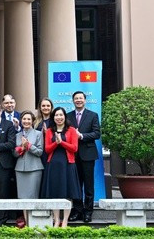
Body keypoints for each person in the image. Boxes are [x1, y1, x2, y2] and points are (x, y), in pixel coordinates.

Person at [41, 106, 81, 227]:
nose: (59, 117)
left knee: (68, 192)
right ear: (53, 117)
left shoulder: (72, 130)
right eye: (56, 115)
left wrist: (62, 142)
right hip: (53, 164)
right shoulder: (49, 131)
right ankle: (56, 219)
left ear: (65, 117)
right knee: (55, 192)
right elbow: (47, 149)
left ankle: (65, 220)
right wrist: (55, 143)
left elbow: (75, 148)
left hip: (68, 164)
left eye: (61, 115)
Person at [66, 90, 101, 223]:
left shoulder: (93, 115)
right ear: (73, 101)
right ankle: (77, 210)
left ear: (85, 100)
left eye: (81, 98)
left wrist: (82, 136)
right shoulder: (68, 117)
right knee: (76, 184)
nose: (78, 100)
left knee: (88, 185)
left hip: (87, 154)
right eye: (76, 98)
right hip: (72, 155)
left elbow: (97, 134)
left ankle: (88, 211)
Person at [13, 110, 44, 227]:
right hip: (20, 169)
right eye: (24, 119)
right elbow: (14, 154)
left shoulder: (38, 134)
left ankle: (34, 222)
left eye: (28, 119)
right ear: (21, 121)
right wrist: (21, 148)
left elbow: (40, 152)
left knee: (33, 196)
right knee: (22, 197)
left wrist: (29, 146)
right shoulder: (17, 135)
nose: (26, 121)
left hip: (34, 168)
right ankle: (25, 221)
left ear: (32, 121)